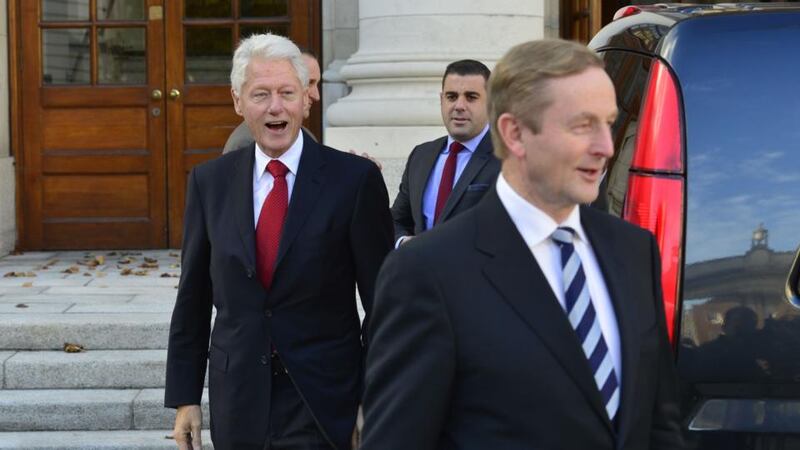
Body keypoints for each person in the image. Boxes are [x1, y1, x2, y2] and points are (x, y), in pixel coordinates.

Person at [361, 39, 684, 449]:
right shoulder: (425, 273)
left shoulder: (634, 251)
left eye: (608, 123)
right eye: (582, 125)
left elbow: (659, 425)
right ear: (514, 133)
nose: (606, 146)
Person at [165, 33, 393, 450]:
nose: (275, 106)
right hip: (239, 400)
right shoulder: (209, 183)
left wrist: (372, 396)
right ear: (238, 102)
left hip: (325, 400)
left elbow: (383, 304)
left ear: (306, 99)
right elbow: (192, 299)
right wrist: (185, 397)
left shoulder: (354, 181)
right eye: (261, 94)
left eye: (287, 92)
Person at [391, 59, 500, 247]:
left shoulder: (507, 158)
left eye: (471, 97)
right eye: (451, 96)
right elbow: (397, 220)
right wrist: (404, 242)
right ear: (441, 100)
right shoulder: (421, 155)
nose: (459, 106)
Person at [223, 49, 322, 153]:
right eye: (309, 82)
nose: (316, 96)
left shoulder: (305, 136)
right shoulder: (245, 143)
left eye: (287, 92)